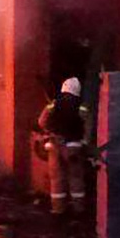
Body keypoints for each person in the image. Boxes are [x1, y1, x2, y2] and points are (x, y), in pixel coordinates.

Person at [38, 77, 90, 214]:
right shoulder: (81, 106)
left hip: (54, 146)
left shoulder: (53, 104)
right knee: (76, 177)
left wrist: (49, 131)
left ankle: (58, 208)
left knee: (57, 178)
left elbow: (41, 121)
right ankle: (78, 209)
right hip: (73, 147)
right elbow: (87, 125)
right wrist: (85, 142)